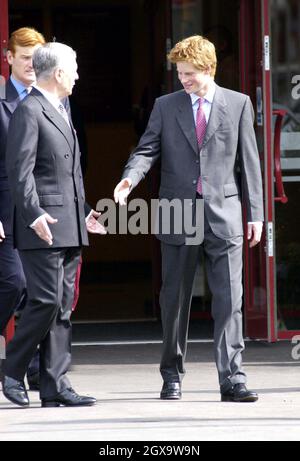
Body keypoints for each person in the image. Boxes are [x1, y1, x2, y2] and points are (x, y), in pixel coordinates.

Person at [114, 35, 264, 403]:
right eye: (180, 73)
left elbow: (250, 162)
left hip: (224, 212)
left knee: (230, 299)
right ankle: (171, 376)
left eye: (190, 74)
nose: (183, 80)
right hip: (177, 211)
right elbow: (147, 148)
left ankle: (232, 378)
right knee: (175, 299)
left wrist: (256, 213)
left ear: (209, 69)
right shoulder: (166, 106)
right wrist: (130, 177)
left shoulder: (238, 104)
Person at [2, 42, 106, 408]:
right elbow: (20, 171)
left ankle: (55, 384)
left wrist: (86, 212)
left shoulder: (61, 108)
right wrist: (33, 215)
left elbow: (68, 174)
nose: (78, 75)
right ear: (58, 73)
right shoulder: (29, 110)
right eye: (74, 68)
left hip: (68, 222)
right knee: (44, 301)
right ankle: (12, 370)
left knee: (62, 305)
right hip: (41, 224)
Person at [0, 28, 45, 388]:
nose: (32, 64)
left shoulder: (53, 99)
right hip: (4, 209)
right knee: (13, 283)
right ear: (9, 57)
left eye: (37, 57)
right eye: (25, 56)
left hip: (41, 208)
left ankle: (32, 367)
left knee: (41, 291)